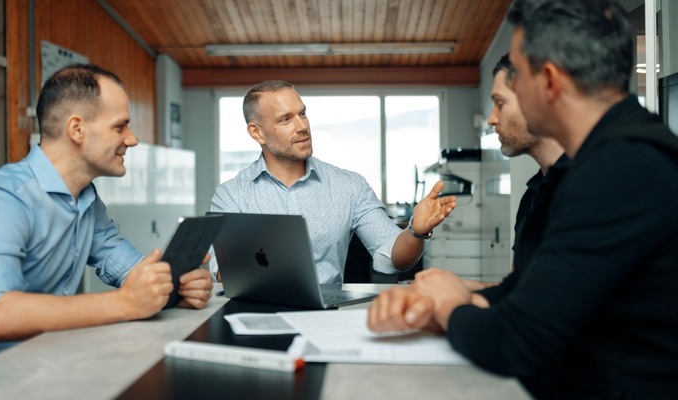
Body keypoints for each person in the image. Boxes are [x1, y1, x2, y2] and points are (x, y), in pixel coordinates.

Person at [367, 0, 678, 398]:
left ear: (548, 81)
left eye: (518, 78)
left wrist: (450, 307)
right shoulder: (603, 161)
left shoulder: (620, 168)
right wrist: (442, 306)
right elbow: (529, 295)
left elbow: (515, 342)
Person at [0, 64, 214, 391]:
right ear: (77, 129)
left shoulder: (87, 202)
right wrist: (125, 303)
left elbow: (133, 274)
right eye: (120, 126)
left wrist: (174, 286)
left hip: (27, 367)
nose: (132, 139)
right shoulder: (3, 196)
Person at [209, 80, 456, 285]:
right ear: (257, 132)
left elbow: (392, 257)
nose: (302, 126)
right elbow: (220, 271)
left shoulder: (349, 186)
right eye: (286, 119)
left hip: (327, 318)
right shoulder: (231, 196)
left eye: (302, 113)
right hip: (255, 317)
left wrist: (415, 231)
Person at [462, 53, 567, 294]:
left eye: (500, 103)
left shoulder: (586, 188)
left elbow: (559, 309)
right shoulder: (532, 196)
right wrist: (464, 290)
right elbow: (523, 293)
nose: (491, 119)